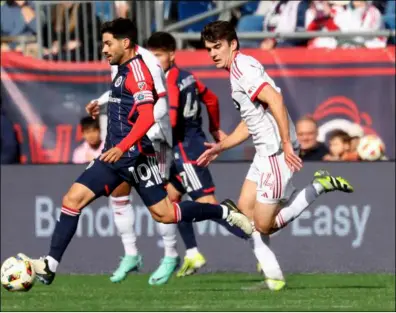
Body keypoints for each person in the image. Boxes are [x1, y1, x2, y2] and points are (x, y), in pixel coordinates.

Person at [18, 18, 252, 286]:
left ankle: (221, 212)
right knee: (72, 200)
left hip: (139, 157)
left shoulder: (140, 71)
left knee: (165, 214)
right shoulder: (121, 69)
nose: (104, 49)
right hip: (112, 157)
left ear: (125, 43)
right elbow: (126, 102)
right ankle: (50, 265)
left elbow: (147, 117)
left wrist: (122, 146)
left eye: (108, 43)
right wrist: (103, 105)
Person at [198, 21, 354, 290]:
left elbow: (276, 101)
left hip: (275, 152)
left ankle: (319, 186)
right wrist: (220, 147)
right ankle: (273, 278)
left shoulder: (242, 68)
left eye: (217, 47)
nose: (213, 53)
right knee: (244, 212)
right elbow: (251, 121)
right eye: (209, 49)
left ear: (232, 44)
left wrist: (286, 144)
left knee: (264, 225)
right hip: (265, 151)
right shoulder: (238, 69)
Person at [146, 31, 249, 278]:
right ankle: (192, 254)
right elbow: (211, 98)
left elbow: (170, 120)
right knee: (170, 202)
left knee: (209, 206)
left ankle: (254, 236)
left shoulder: (169, 81)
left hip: (186, 151)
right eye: (151, 57)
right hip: (186, 148)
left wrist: (147, 133)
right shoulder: (187, 77)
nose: (154, 62)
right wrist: (214, 127)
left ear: (171, 54)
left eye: (158, 56)